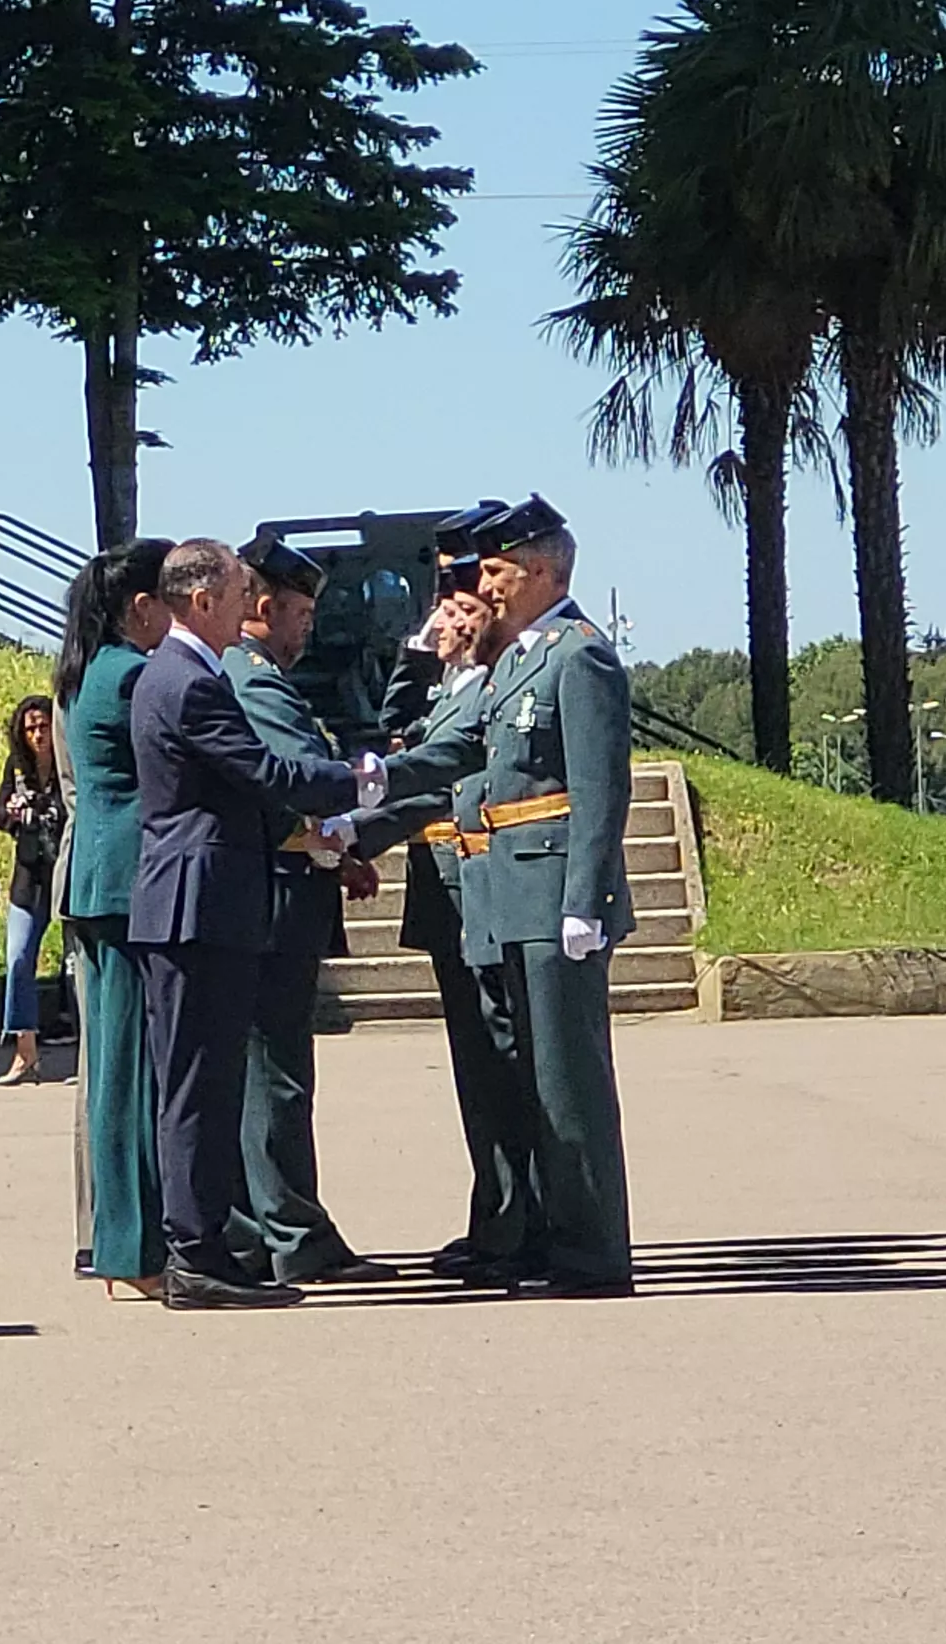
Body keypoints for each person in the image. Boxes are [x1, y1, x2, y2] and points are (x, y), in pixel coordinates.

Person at [381, 496, 636, 1299]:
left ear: (541, 572)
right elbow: (460, 747)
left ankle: (593, 1254)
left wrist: (585, 900)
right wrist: (378, 780)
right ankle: (554, 1239)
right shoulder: (524, 658)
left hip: (554, 888)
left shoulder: (579, 656)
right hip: (510, 892)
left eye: (495, 570)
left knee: (569, 1083)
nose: (481, 585)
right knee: (533, 1082)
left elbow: (600, 790)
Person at [126, 537, 367, 1312]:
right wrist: (361, 778)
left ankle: (207, 1248)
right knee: (200, 1088)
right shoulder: (190, 680)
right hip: (199, 905)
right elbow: (264, 774)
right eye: (237, 596)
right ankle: (196, 1254)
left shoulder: (179, 671)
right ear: (201, 599)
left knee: (207, 1083)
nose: (247, 609)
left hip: (199, 901)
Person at [350, 562, 532, 1278]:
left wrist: (351, 835)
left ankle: (513, 1224)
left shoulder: (490, 688)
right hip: (445, 892)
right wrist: (417, 653)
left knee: (498, 1065)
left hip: (475, 886)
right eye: (444, 611)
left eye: (463, 610)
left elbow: (432, 780)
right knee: (475, 1070)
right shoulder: (449, 684)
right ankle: (492, 1217)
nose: (452, 623)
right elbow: (396, 730)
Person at [221, 536, 392, 1286]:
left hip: (281, 882)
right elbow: (297, 783)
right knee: (276, 1072)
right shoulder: (257, 681)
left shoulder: (247, 674)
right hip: (276, 898)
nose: (307, 631)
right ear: (263, 607)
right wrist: (369, 799)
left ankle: (260, 1226)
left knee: (262, 1068)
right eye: (300, 614)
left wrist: (337, 851)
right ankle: (292, 1231)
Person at [56, 539, 170, 1297]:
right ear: (141, 607)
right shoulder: (131, 675)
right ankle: (131, 1244)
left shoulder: (88, 671)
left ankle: (117, 1236)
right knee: (128, 1070)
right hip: (127, 883)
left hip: (99, 880)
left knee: (112, 1066)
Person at [0, 694, 64, 1085]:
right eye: (31, 728)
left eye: (44, 726)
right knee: (18, 956)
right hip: (30, 876)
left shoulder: (71, 762)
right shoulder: (16, 768)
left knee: (77, 966)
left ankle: (88, 1053)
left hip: (66, 871)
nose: (38, 734)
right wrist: (13, 813)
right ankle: (25, 1050)